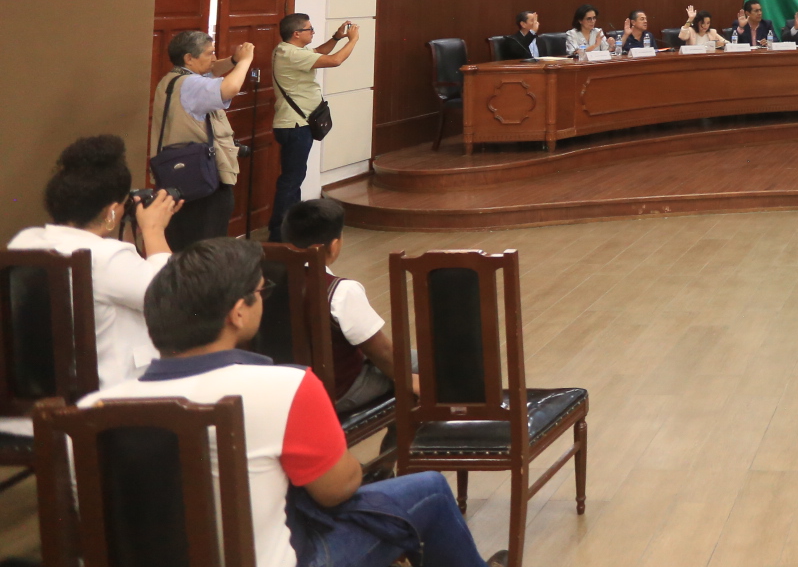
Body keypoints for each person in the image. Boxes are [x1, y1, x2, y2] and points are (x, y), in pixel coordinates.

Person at [84, 238, 504, 567]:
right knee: (427, 491)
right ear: (238, 313)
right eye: (260, 291)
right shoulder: (285, 387)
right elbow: (337, 490)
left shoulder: (90, 411)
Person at [2, 137, 177, 407]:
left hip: (33, 400)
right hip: (110, 402)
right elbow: (173, 298)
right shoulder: (108, 259)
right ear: (112, 211)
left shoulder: (25, 241)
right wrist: (153, 231)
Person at [283, 197, 404, 416]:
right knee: (424, 367)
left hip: (283, 388)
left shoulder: (264, 279)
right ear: (334, 245)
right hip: (336, 391)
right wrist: (410, 381)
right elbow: (382, 352)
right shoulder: (341, 291)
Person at [152, 30, 253, 249]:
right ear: (189, 58)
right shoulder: (192, 85)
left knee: (181, 243)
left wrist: (233, 60)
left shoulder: (173, 79)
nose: (214, 58)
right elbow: (230, 88)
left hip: (180, 177)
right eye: (210, 53)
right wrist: (245, 61)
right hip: (204, 181)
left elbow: (213, 70)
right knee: (206, 247)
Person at [269, 15, 359, 244]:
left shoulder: (287, 50)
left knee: (294, 179)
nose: (313, 32)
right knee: (291, 181)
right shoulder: (291, 54)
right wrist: (353, 40)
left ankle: (291, 230)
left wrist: (336, 38)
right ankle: (279, 236)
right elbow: (335, 61)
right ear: (296, 34)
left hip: (296, 124)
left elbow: (318, 52)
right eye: (309, 29)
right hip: (296, 126)